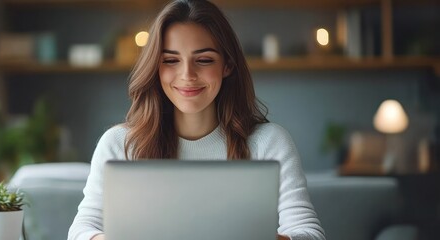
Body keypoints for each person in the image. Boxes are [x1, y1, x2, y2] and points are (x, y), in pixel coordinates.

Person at [68, 0, 326, 239]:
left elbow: (309, 232)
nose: (187, 75)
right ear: (155, 68)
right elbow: (82, 229)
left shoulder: (269, 142)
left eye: (203, 60)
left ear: (228, 65)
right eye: (170, 60)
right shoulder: (119, 143)